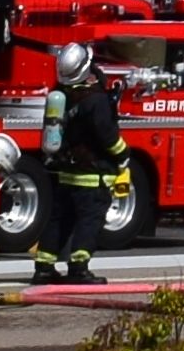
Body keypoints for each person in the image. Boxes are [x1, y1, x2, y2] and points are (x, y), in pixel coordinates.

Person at [34, 45, 126, 286]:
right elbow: (107, 135)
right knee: (90, 220)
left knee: (59, 220)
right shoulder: (95, 99)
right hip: (92, 174)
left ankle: (44, 267)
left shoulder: (60, 95)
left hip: (66, 171)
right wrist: (123, 154)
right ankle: (78, 268)